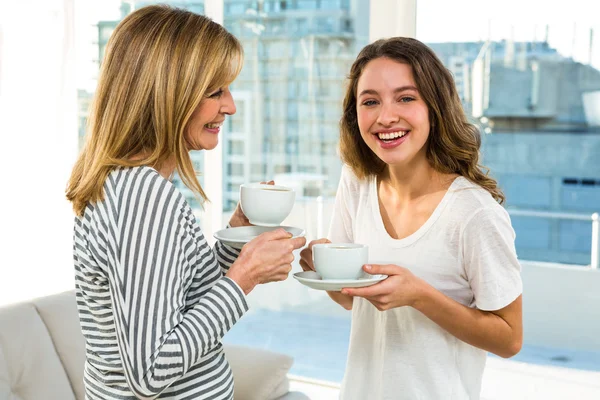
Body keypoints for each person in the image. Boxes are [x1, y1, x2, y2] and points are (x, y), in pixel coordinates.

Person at [66, 5, 305, 399]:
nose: (229, 106)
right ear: (168, 94)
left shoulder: (127, 186)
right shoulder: (144, 196)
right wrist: (243, 277)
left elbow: (177, 307)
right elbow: (150, 371)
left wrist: (235, 242)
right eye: (215, 92)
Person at [300, 37, 522, 400]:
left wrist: (420, 296)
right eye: (370, 101)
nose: (385, 117)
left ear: (435, 106)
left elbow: (510, 338)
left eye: (405, 98)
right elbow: (350, 300)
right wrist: (324, 271)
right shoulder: (357, 181)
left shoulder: (474, 213)